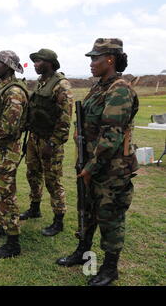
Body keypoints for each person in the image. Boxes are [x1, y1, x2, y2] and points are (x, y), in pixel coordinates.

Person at [56, 38, 139, 286]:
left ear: (110, 60)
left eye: (96, 58)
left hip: (110, 168)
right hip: (89, 162)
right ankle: (83, 251)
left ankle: (110, 268)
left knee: (110, 216)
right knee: (88, 209)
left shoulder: (120, 89)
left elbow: (112, 134)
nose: (91, 63)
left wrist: (91, 167)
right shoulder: (99, 87)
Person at [20, 49, 73, 236]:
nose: (35, 64)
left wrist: (53, 143)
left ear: (49, 62)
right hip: (34, 138)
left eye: (38, 61)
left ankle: (58, 220)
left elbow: (65, 119)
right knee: (32, 174)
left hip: (50, 141)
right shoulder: (41, 83)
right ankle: (35, 208)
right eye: (34, 61)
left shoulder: (61, 85)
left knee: (52, 180)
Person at [0, 51, 29, 259]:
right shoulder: (3, 88)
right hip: (2, 148)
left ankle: (13, 243)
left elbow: (9, 128)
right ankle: (5, 226)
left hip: (8, 149)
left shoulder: (13, 92)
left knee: (5, 192)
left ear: (9, 66)